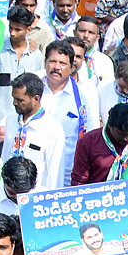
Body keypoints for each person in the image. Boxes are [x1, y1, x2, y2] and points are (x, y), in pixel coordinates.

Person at [39, 39, 100, 186]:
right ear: (45, 62)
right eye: (52, 61)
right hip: (35, 168)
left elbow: (91, 136)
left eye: (62, 63)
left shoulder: (83, 97)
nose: (56, 67)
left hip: (66, 172)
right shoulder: (32, 88)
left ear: (71, 67)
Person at [2, 71, 66, 190]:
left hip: (35, 196)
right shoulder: (11, 119)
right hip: (9, 193)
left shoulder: (53, 130)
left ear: (36, 99)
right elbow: (5, 155)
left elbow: (55, 174)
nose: (14, 103)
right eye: (14, 98)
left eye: (20, 100)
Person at [0, 5, 42, 129]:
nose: (13, 33)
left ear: (28, 29)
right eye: (11, 28)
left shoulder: (36, 56)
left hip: (25, 121)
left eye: (18, 29)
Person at [71, 101, 128, 185]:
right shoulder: (89, 141)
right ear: (109, 125)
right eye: (122, 134)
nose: (127, 139)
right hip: (99, 196)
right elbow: (79, 181)